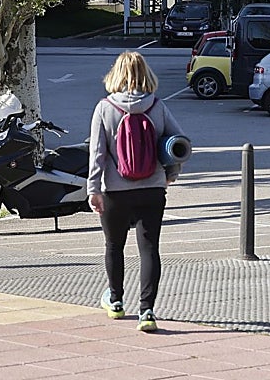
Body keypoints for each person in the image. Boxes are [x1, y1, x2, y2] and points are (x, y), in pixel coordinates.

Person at [88, 51, 185, 333]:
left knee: (114, 246)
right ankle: (148, 312)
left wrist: (93, 190)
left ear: (115, 74)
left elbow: (97, 154)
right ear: (146, 75)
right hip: (152, 189)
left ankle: (116, 302)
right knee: (149, 249)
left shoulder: (105, 108)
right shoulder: (157, 106)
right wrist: (169, 176)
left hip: (115, 192)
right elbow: (177, 144)